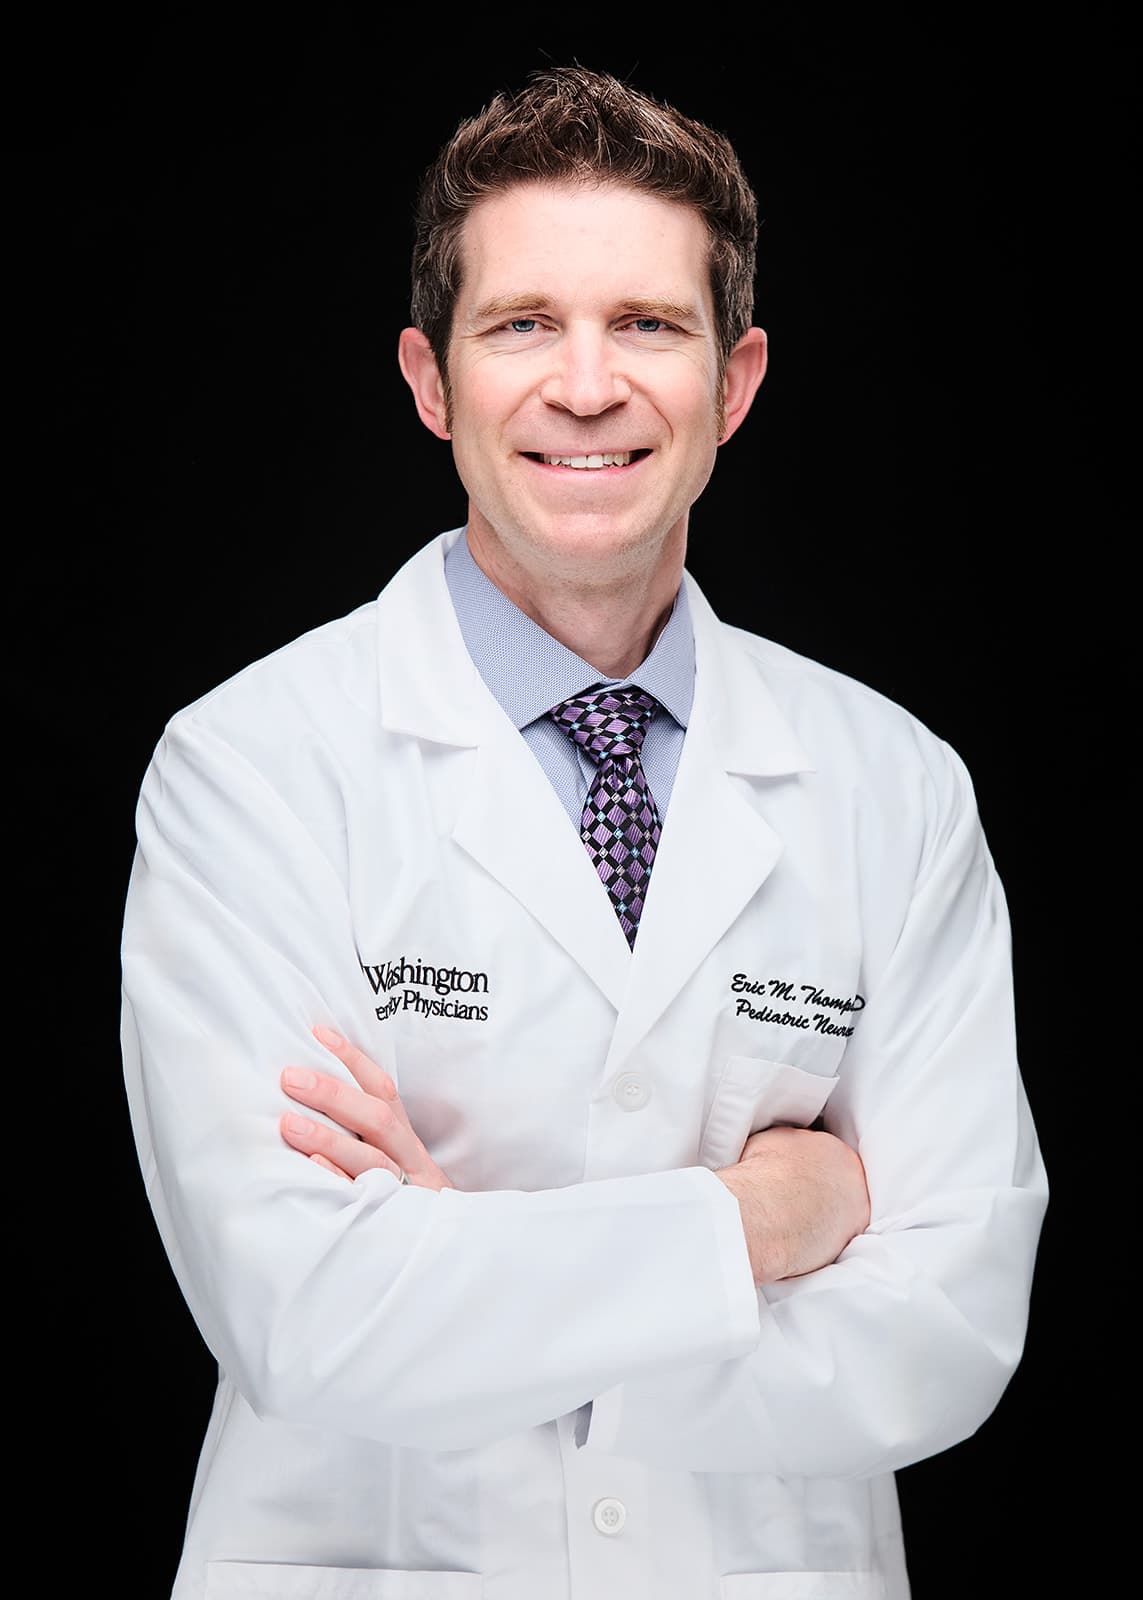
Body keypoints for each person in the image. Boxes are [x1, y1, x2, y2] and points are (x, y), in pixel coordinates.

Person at [120, 66, 1048, 1600]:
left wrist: (480, 1287)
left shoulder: (894, 786)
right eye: (523, 324)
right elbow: (307, 1317)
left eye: (649, 326)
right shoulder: (253, 767)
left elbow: (948, 1329)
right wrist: (769, 1219)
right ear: (430, 380)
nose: (587, 383)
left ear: (736, 382)